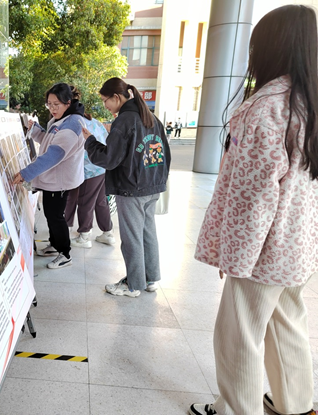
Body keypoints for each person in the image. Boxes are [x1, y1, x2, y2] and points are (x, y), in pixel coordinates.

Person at [189, 5, 318, 415]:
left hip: (262, 251)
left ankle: (235, 409)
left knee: (238, 335)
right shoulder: (308, 103)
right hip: (297, 245)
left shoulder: (266, 107)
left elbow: (254, 197)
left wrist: (235, 258)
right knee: (287, 324)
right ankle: (296, 406)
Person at [83, 77, 170, 296]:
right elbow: (165, 152)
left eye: (105, 100)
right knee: (148, 233)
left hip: (132, 188)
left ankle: (133, 284)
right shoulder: (150, 117)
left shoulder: (124, 120)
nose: (105, 105)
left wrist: (90, 142)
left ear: (116, 97)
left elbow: (109, 159)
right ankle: (150, 278)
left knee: (132, 238)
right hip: (153, 185)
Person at [12, 83, 85, 269]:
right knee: (51, 213)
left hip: (60, 180)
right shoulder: (62, 119)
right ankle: (55, 245)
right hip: (54, 179)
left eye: (56, 104)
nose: (52, 108)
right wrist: (36, 130)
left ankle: (65, 253)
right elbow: (48, 140)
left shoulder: (72, 124)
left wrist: (26, 173)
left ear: (68, 102)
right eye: (49, 104)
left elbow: (53, 155)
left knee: (55, 215)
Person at [65, 111, 115, 248]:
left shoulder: (75, 123)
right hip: (102, 167)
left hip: (89, 169)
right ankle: (108, 233)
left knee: (85, 202)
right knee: (101, 201)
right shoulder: (95, 122)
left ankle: (84, 236)